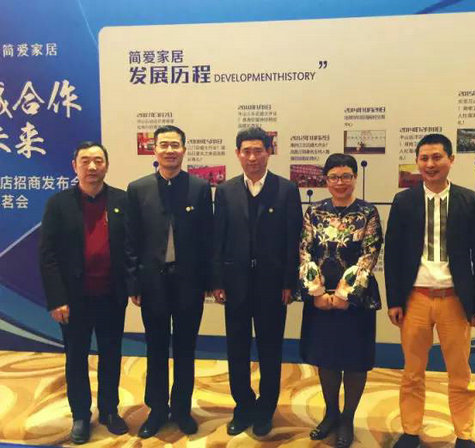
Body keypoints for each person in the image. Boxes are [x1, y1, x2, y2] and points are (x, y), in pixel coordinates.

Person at [384, 134, 475, 448]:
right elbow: (392, 254)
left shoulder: (469, 200)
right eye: (424, 158)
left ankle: (464, 434)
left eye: (437, 157)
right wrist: (394, 300)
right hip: (415, 298)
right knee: (412, 373)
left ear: (451, 160)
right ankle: (410, 430)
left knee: (460, 373)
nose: (430, 164)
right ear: (417, 162)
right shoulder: (404, 201)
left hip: (454, 299)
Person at [211, 126, 303, 437]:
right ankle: (243, 405)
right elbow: (218, 239)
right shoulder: (225, 191)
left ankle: (266, 409)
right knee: (236, 348)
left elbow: (293, 241)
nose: (252, 157)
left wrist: (289, 282)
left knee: (270, 350)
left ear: (269, 152)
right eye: (246, 151)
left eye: (258, 151)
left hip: (272, 285)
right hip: (235, 284)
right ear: (238, 154)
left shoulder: (286, 190)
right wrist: (217, 280)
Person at [126, 125, 213, 438]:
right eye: (163, 145)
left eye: (175, 145)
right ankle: (157, 410)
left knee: (186, 348)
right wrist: (134, 283)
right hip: (153, 284)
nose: (170, 150)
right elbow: (131, 240)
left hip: (189, 283)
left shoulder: (199, 188)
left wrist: (208, 281)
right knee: (156, 348)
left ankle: (182, 409)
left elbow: (207, 238)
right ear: (154, 150)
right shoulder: (138, 189)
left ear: (184, 150)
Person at [39, 142, 128, 444]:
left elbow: (131, 248)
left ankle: (110, 410)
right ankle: (80, 415)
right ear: (74, 166)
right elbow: (48, 256)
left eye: (98, 161)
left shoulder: (122, 200)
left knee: (111, 354)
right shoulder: (59, 204)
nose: (92, 167)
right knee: (76, 357)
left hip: (111, 295)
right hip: (73, 300)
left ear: (106, 165)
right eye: (85, 161)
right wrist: (57, 299)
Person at [299, 153, 382, 448]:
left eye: (346, 176)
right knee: (327, 358)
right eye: (334, 177)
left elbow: (370, 253)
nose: (340, 182)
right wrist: (318, 293)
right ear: (326, 180)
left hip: (356, 299)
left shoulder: (367, 212)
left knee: (354, 361)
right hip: (320, 298)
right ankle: (331, 414)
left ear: (355, 178)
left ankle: (347, 418)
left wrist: (347, 294)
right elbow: (304, 250)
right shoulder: (314, 212)